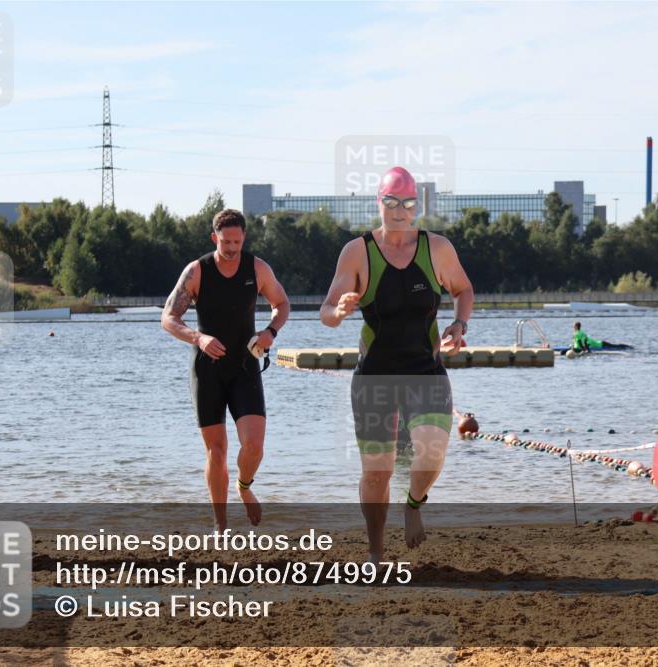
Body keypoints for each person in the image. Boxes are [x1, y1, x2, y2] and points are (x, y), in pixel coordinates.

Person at [320, 166, 474, 562]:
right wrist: (338, 310)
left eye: (407, 203)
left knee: (434, 450)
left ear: (416, 206)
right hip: (375, 376)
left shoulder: (436, 248)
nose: (399, 210)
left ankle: (414, 505)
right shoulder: (358, 251)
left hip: (426, 369)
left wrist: (458, 323)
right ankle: (375, 552)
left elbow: (462, 288)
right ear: (380, 203)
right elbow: (326, 311)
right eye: (391, 202)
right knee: (377, 471)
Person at [161, 208, 290, 531]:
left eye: (237, 241)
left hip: (245, 367)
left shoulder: (257, 268)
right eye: (225, 241)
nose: (232, 248)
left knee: (254, 446)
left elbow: (282, 304)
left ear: (244, 237)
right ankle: (221, 525)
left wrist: (270, 332)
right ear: (214, 238)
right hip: (208, 371)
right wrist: (199, 337)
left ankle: (244, 487)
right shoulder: (197, 271)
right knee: (216, 453)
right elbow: (168, 318)